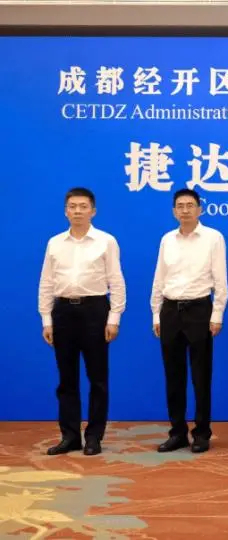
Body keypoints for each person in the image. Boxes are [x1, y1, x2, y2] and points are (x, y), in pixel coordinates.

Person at [38, 187, 126, 456]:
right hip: (63, 312)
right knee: (66, 380)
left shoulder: (106, 241)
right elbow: (46, 282)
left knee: (97, 378)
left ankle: (94, 437)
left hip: (95, 311)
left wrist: (114, 318)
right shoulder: (55, 243)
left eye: (83, 206)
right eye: (72, 206)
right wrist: (46, 319)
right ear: (66, 211)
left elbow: (116, 281)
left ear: (93, 211)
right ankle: (70, 436)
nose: (77, 211)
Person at [151, 188, 227, 454]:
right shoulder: (167, 240)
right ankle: (177, 432)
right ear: (174, 211)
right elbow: (159, 278)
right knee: (173, 376)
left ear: (199, 209)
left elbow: (220, 280)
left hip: (199, 310)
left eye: (190, 205)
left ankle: (202, 433)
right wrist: (156, 312)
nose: (185, 210)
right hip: (170, 310)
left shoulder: (213, 238)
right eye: (180, 206)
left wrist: (217, 314)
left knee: (200, 376)